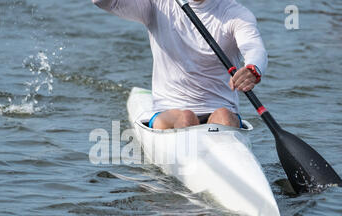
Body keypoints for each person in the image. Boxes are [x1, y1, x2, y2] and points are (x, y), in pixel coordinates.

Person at [92, 0, 267, 129]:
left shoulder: (236, 14)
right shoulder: (157, 4)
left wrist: (252, 69)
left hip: (221, 111)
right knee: (186, 118)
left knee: (224, 116)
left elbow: (255, 48)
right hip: (169, 111)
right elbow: (103, 2)